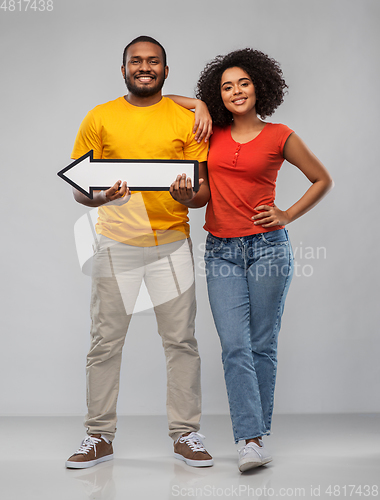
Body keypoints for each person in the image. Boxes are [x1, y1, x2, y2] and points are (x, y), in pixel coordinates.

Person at [170, 48, 333, 472]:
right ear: (218, 96)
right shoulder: (210, 134)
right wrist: (200, 104)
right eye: (225, 87)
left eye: (243, 83)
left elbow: (322, 179)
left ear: (260, 86)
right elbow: (165, 100)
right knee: (234, 346)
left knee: (261, 344)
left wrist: (287, 213)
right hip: (221, 250)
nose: (236, 91)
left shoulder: (280, 135)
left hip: (268, 248)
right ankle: (250, 436)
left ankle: (252, 440)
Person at [65, 36, 214, 469]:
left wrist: (188, 198)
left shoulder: (187, 120)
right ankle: (99, 436)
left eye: (153, 62)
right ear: (124, 68)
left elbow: (202, 191)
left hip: (171, 243)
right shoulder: (100, 116)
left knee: (181, 342)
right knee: (105, 343)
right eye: (136, 61)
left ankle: (186, 434)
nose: (144, 67)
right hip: (116, 244)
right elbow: (81, 189)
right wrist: (100, 197)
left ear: (166, 71)